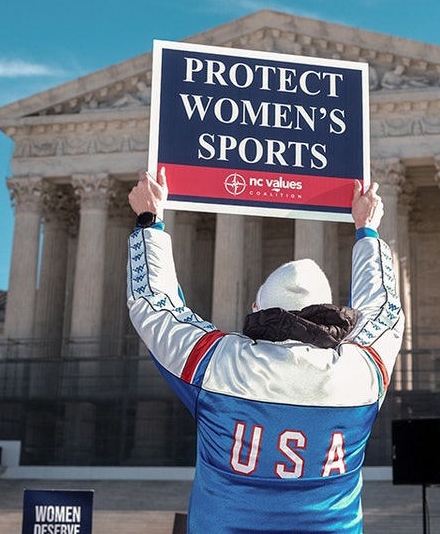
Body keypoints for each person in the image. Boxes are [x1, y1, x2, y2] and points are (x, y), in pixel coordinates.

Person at [126, 167, 404, 533]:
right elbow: (384, 308)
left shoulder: (220, 364)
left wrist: (150, 221)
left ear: (258, 309)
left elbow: (154, 305)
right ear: (328, 314)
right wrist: (367, 230)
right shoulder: (360, 376)